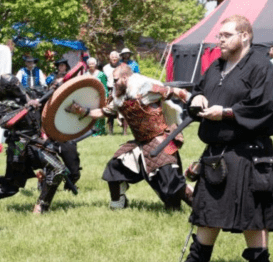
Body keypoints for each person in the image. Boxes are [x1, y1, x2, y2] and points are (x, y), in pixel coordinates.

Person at [186, 15, 273, 262]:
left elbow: (265, 105)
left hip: (248, 155)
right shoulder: (216, 66)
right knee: (206, 216)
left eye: (226, 36)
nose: (219, 40)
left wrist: (225, 113)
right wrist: (196, 99)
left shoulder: (262, 67)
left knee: (253, 219)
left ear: (244, 36)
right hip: (214, 154)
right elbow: (199, 91)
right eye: (219, 36)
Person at [65, 63, 194, 211]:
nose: (112, 84)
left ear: (125, 78)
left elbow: (172, 91)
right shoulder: (120, 99)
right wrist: (82, 111)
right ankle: (118, 204)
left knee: (172, 187)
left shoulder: (145, 89)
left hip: (162, 141)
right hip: (140, 143)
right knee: (114, 168)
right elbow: (104, 112)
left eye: (115, 80)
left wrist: (190, 98)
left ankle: (202, 206)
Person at [0, 74, 81, 214]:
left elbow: (46, 94)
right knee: (10, 187)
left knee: (57, 169)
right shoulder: (6, 105)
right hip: (19, 148)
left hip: (36, 144)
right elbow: (5, 122)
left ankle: (41, 207)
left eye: (18, 83)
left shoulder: (29, 93)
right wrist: (26, 108)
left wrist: (56, 86)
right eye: (15, 85)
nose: (18, 87)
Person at [85, 57, 108, 136]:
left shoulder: (101, 74)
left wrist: (106, 97)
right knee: (90, 113)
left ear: (95, 64)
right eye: (90, 64)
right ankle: (90, 131)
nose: (91, 65)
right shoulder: (85, 74)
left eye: (93, 63)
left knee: (99, 112)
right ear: (87, 65)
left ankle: (99, 131)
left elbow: (105, 87)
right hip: (89, 96)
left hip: (99, 96)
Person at [103, 51, 121, 135]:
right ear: (110, 58)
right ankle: (110, 131)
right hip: (110, 89)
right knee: (110, 110)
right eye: (112, 57)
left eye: (115, 57)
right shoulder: (105, 68)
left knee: (123, 110)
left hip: (120, 90)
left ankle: (124, 132)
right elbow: (104, 80)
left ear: (118, 58)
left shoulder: (122, 67)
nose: (114, 58)